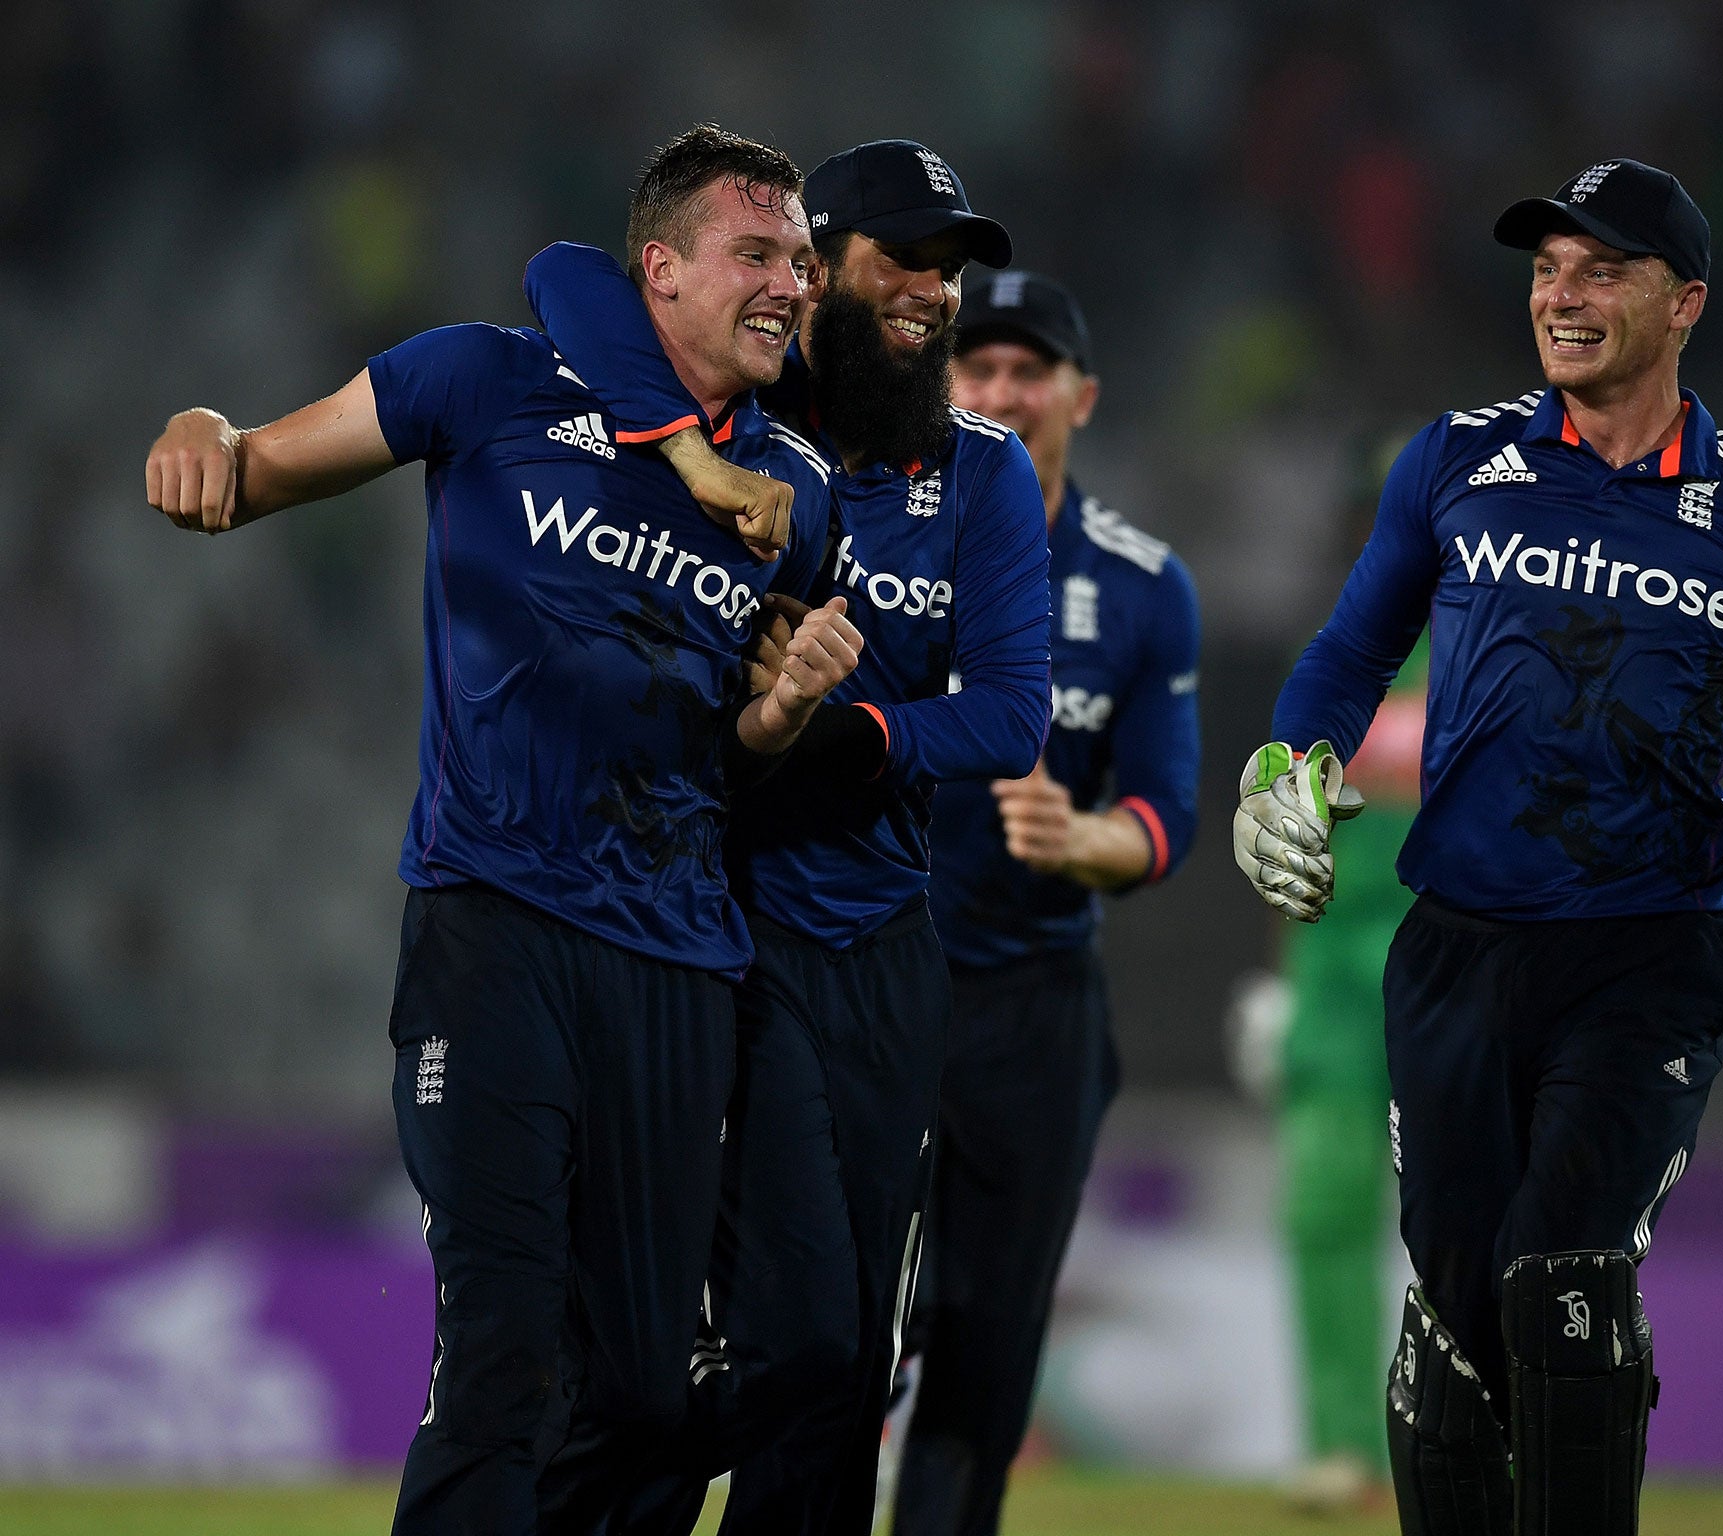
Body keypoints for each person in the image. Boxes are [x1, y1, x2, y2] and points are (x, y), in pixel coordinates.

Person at [143, 126, 862, 1536]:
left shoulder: (802, 492)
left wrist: (778, 719)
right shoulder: (486, 381)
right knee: (505, 1353)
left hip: (678, 962)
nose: (792, 282)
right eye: (757, 254)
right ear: (659, 270)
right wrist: (199, 430)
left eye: (802, 260)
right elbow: (256, 466)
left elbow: (738, 754)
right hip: (497, 932)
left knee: (651, 1395)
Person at [1232, 159, 1723, 1536]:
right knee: (1463, 1319)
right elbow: (1349, 651)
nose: (1564, 292)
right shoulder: (1453, 460)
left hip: (1645, 957)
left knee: (1565, 1280)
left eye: (1603, 269)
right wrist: (1278, 769)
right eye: (1548, 268)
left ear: (1686, 304)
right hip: (1455, 956)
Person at [523, 139, 1052, 1534]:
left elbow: (1008, 717)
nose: (937, 294)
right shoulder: (743, 419)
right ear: (816, 273)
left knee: (842, 1363)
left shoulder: (983, 475)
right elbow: (568, 277)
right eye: (904, 263)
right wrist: (693, 455)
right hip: (712, 930)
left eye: (952, 270)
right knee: (732, 1344)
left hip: (882, 952)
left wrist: (858, 738)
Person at [883, 273, 1201, 1536]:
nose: (1002, 393)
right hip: (870, 986)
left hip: (1032, 1011)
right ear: (941, 385)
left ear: (1081, 394)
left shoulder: (1142, 585)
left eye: (1030, 372)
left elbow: (1168, 812)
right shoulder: (872, 536)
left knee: (986, 1356)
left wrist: (1084, 839)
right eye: (978, 369)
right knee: (833, 1338)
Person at [1270, 639, 1422, 1516]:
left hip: (1452, 962)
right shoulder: (1336, 661)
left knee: (1476, 1215)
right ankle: (1343, 1448)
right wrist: (1280, 984)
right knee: (1324, 1208)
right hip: (1331, 983)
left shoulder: (1500, 629)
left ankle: (1493, 1435)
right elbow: (1287, 833)